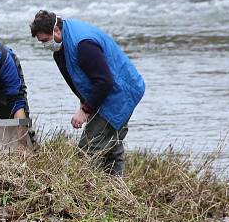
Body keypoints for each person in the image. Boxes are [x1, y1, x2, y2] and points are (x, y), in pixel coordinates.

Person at [29, 10, 145, 176]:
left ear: (56, 31)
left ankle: (86, 192)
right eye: (41, 42)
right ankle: (115, 191)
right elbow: (80, 79)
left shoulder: (83, 45)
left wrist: (86, 110)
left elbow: (105, 81)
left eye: (45, 40)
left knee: (87, 150)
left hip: (120, 93)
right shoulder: (61, 47)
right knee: (111, 146)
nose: (44, 45)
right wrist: (85, 104)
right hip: (107, 92)